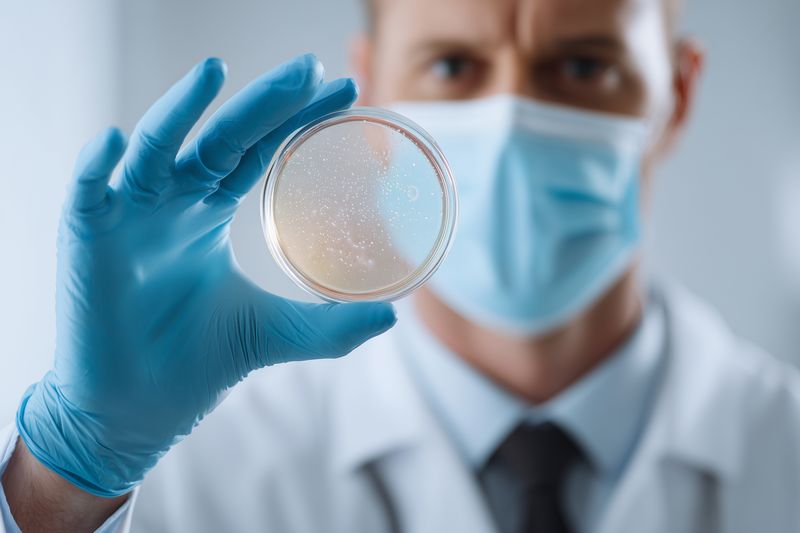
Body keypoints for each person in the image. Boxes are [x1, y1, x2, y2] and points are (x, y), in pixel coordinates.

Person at [2, 0, 799, 531]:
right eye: (453, 66)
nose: (514, 114)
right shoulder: (200, 481)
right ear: (378, 85)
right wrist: (66, 477)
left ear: (679, 93)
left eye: (584, 67)